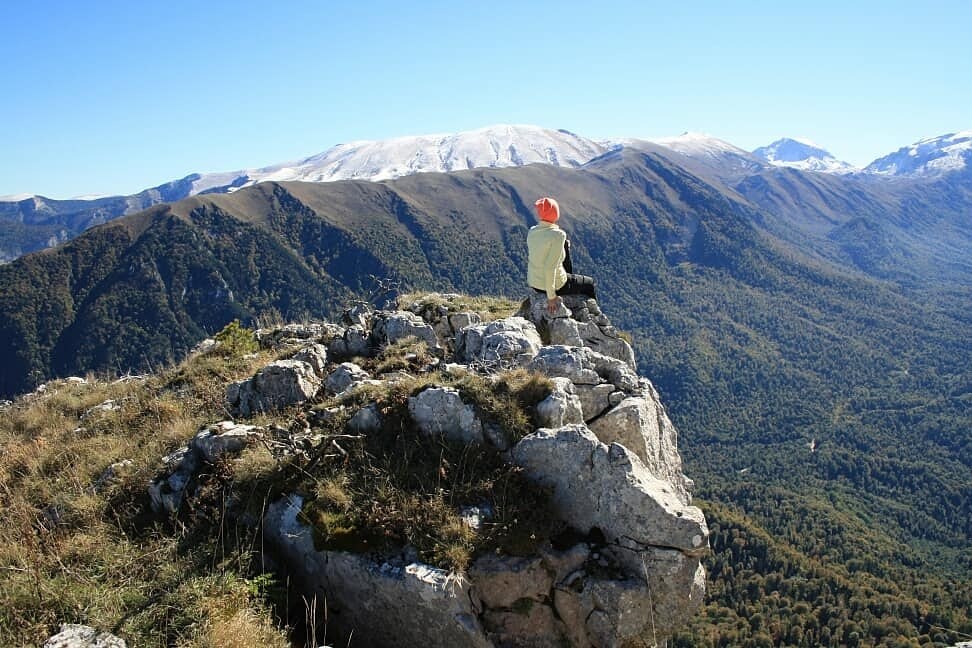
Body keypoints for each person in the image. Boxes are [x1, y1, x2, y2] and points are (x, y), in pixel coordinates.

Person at [527, 196, 597, 314]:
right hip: (554, 285)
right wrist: (551, 297)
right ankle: (594, 314)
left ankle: (567, 277)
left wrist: (564, 247)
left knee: (564, 245)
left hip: (534, 283)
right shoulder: (558, 235)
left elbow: (541, 254)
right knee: (590, 283)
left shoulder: (532, 231)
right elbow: (550, 268)